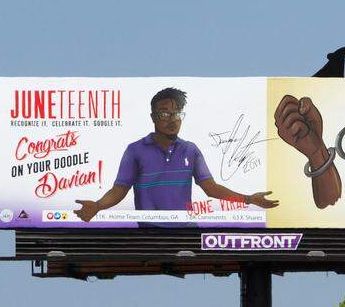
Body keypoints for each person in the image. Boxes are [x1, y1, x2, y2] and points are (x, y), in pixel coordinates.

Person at [74, 88, 278, 224]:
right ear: (153, 117)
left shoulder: (190, 150)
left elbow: (211, 189)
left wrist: (249, 199)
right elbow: (120, 190)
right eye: (164, 114)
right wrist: (98, 206)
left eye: (178, 113)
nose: (172, 119)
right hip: (151, 231)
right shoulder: (135, 150)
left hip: (186, 228)